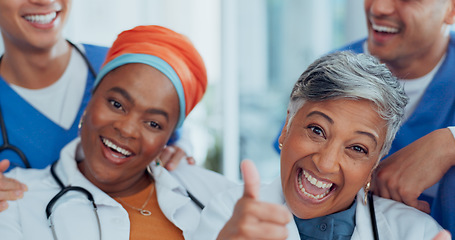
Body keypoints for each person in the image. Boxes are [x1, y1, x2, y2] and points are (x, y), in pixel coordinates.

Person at [0, 25, 235, 239]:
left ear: (168, 138)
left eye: (154, 124)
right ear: (89, 99)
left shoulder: (223, 198)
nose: (127, 129)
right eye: (116, 104)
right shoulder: (15, 202)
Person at [192, 51, 443, 240]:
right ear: (286, 127)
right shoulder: (230, 216)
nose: (325, 163)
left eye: (357, 148)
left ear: (375, 162)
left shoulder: (415, 233)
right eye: (317, 131)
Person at [268, 0, 455, 234]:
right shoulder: (332, 74)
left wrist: (449, 142)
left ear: (451, 9)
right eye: (317, 131)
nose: (379, 8)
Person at [0, 0, 192, 212]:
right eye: (116, 104)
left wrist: (182, 150)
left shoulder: (126, 69)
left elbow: (176, 135)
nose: (44, 1)